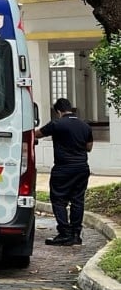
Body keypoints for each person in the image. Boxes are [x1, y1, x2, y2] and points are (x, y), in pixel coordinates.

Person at [38, 98, 93, 246]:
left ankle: (64, 233)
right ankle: (76, 234)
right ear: (70, 108)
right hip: (82, 168)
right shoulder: (85, 125)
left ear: (58, 111)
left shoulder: (57, 123)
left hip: (63, 168)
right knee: (77, 200)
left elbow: (36, 135)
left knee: (58, 199)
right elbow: (89, 147)